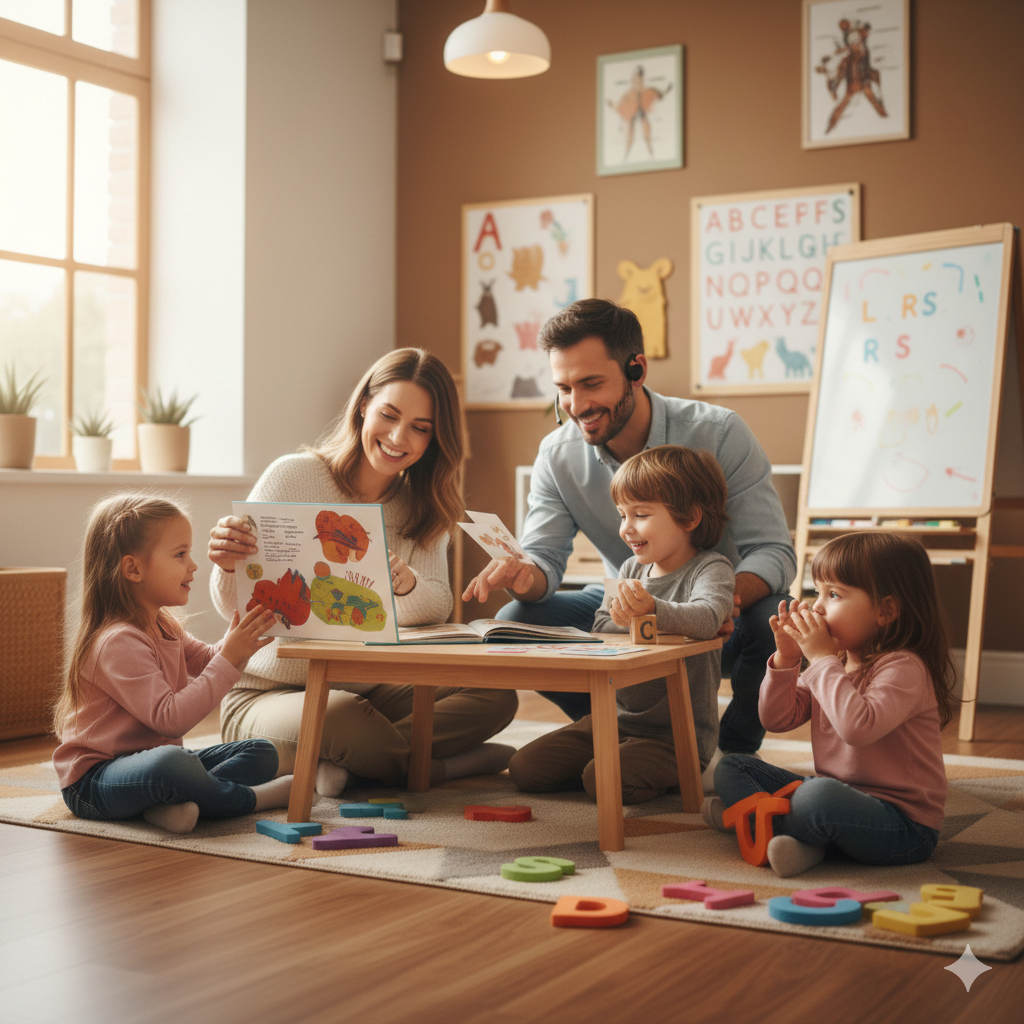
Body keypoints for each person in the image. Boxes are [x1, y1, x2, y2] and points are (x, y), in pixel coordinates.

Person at [463, 299, 796, 762]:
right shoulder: (558, 457)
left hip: (723, 614)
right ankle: (615, 728)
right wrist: (525, 574)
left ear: (636, 369)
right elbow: (544, 560)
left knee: (776, 618)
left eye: (591, 384)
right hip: (627, 609)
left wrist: (719, 600)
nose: (576, 405)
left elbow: (774, 551)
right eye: (563, 388)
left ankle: (732, 753)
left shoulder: (719, 433)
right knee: (513, 622)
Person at [208, 348, 517, 797]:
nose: (398, 437)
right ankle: (442, 768)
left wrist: (406, 585)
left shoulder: (424, 504)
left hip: (373, 689)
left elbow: (438, 605)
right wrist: (228, 563)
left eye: (420, 428)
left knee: (496, 694)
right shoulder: (292, 476)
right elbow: (233, 606)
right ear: (363, 407)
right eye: (389, 415)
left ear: (434, 438)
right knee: (343, 717)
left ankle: (351, 764)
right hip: (269, 694)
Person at [703, 532, 956, 878]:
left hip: (902, 825)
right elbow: (776, 719)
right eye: (817, 592)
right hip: (836, 798)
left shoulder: (904, 668)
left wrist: (821, 658)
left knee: (817, 797)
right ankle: (784, 833)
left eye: (834, 595)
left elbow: (857, 728)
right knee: (733, 766)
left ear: (886, 611)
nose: (817, 607)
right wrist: (787, 660)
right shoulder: (836, 661)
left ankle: (754, 823)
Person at [508, 446, 735, 804]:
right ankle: (609, 766)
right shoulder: (631, 569)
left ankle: (684, 771)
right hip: (614, 721)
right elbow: (601, 625)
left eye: (640, 515)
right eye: (622, 515)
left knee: (602, 779)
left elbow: (708, 619)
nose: (626, 528)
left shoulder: (711, 568)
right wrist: (627, 618)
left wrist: (651, 610)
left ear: (690, 517)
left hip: (674, 737)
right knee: (525, 769)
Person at [53, 494, 291, 835]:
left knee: (261, 752)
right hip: (95, 781)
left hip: (152, 765)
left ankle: (165, 806)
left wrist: (237, 638)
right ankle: (250, 799)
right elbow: (170, 718)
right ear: (133, 569)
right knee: (172, 763)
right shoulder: (117, 641)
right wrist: (231, 657)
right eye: (180, 555)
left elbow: (209, 661)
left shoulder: (164, 625)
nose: (193, 565)